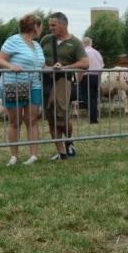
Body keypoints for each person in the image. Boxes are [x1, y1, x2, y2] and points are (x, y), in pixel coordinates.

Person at [0, 13, 45, 165]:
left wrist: (54, 67)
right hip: (14, 85)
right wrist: (11, 66)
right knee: (15, 122)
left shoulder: (37, 45)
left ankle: (33, 155)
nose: (42, 29)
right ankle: (14, 156)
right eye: (41, 26)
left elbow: (41, 65)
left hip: (34, 85)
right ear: (35, 26)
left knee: (32, 120)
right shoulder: (14, 40)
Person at [41, 12, 88, 161]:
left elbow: (85, 63)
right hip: (46, 82)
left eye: (53, 25)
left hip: (63, 82)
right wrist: (45, 67)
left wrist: (64, 68)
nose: (50, 28)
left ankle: (69, 141)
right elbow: (38, 58)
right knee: (51, 119)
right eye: (49, 25)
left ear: (64, 24)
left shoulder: (75, 43)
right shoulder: (46, 40)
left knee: (62, 119)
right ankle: (61, 152)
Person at [80, 37, 103, 124]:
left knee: (87, 97)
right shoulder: (97, 52)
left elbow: (82, 66)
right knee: (93, 97)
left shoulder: (83, 52)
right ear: (91, 43)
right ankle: (94, 116)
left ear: (82, 43)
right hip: (96, 76)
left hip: (87, 76)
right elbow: (102, 65)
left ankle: (93, 118)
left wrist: (79, 78)